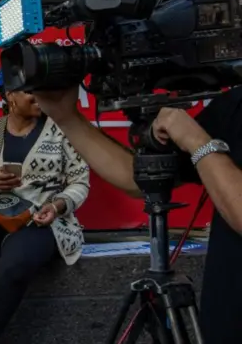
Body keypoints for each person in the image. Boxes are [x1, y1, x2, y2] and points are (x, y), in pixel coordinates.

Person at [34, 85, 242, 343]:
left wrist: (197, 142)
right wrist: (66, 116)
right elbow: (137, 178)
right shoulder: (235, 104)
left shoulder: (203, 136)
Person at [0, 78, 90, 344]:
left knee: (13, 265)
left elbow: (80, 183)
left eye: (41, 90)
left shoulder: (62, 130)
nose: (38, 96)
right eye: (29, 91)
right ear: (9, 95)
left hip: (43, 219)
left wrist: (56, 206)